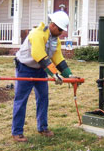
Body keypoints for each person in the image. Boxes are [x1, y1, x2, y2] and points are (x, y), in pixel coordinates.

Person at [12, 11, 79, 142]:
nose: (61, 33)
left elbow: (57, 58)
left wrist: (68, 74)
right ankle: (17, 132)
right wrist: (54, 74)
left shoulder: (56, 40)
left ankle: (42, 127)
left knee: (43, 98)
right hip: (25, 68)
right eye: (60, 29)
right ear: (53, 25)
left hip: (40, 70)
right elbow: (39, 55)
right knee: (21, 100)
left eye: (62, 30)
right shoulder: (37, 34)